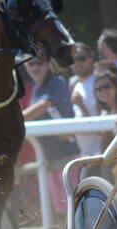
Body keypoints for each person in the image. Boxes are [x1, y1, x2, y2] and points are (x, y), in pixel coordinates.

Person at [21, 57, 77, 213]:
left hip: (68, 155)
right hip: (50, 158)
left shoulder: (56, 83)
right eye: (31, 63)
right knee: (62, 211)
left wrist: (13, 121)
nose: (35, 67)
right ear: (25, 65)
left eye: (39, 63)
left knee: (75, 208)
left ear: (47, 65)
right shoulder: (35, 87)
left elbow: (42, 106)